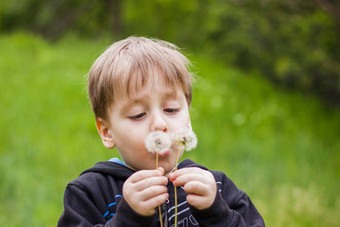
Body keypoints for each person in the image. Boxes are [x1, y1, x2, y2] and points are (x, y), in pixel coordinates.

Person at [58, 36, 265, 226]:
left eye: (171, 110)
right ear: (106, 132)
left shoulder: (215, 187)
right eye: (138, 114)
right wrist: (128, 219)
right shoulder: (90, 194)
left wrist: (217, 214)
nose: (159, 123)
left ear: (189, 121)